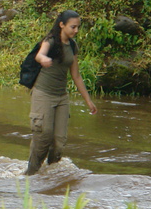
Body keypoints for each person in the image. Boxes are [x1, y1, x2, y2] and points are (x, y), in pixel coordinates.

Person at [25, 9, 97, 175]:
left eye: (78, 27)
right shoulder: (50, 41)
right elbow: (40, 55)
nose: (76, 31)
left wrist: (88, 101)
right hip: (43, 94)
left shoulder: (72, 46)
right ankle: (31, 174)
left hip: (61, 97)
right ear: (62, 25)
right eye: (73, 27)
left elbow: (76, 75)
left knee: (59, 142)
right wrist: (43, 59)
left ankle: (51, 175)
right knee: (44, 135)